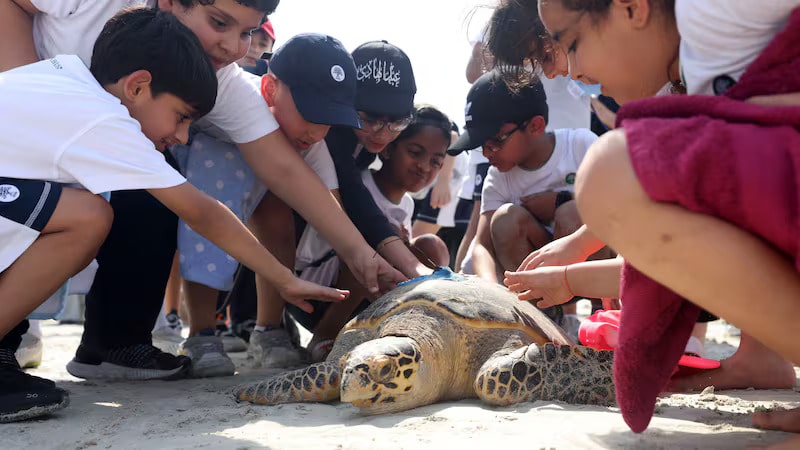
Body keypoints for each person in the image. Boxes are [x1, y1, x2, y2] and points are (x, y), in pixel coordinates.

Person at [1, 0, 405, 381]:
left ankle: (111, 344)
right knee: (89, 217)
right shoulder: (104, 118)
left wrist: (360, 255)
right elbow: (203, 212)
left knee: (128, 201)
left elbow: (284, 169)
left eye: (247, 32)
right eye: (219, 22)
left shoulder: (92, 79)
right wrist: (283, 279)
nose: (234, 47)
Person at [495, 0, 800, 440]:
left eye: (565, 46)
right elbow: (688, 249)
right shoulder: (677, 86)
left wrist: (571, 276)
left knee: (613, 171)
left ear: (631, 9)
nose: (569, 71)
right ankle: (763, 354)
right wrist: (574, 260)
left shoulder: (710, 12)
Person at [171, 32, 361, 375]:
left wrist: (367, 260)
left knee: (277, 213)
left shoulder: (309, 142)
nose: (316, 132)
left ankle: (268, 328)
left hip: (243, 193)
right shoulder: (233, 93)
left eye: (327, 122)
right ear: (270, 90)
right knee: (220, 171)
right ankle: (201, 331)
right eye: (310, 115)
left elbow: (332, 212)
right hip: (188, 171)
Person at [294, 105, 454, 362]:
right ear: (388, 149)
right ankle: (324, 337)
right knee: (373, 251)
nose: (424, 166)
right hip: (317, 293)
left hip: (369, 301)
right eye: (415, 153)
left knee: (431, 246)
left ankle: (407, 330)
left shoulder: (407, 204)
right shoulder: (358, 186)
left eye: (435, 162)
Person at [447, 69, 599, 338]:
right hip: (539, 279)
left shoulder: (580, 145)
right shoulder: (497, 177)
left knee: (571, 212)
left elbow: (620, 211)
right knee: (504, 219)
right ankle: (540, 317)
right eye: (481, 145)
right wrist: (491, 293)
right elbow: (481, 245)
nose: (487, 153)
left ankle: (602, 314)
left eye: (495, 142)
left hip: (590, 268)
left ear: (535, 126)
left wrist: (561, 201)